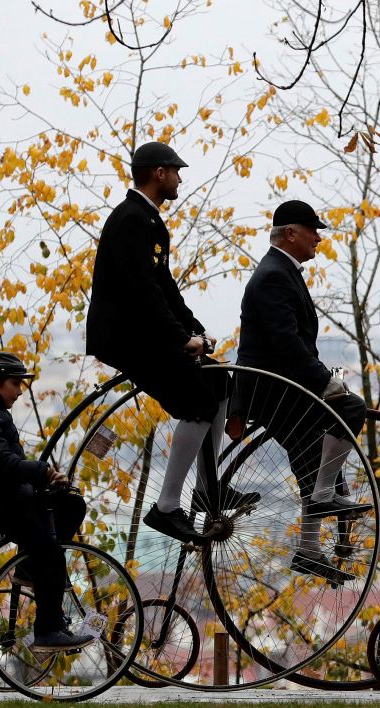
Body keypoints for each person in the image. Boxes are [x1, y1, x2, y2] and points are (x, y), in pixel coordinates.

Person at [86, 141, 253, 544]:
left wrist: (195, 331)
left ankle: (208, 488)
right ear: (158, 173)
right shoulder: (132, 219)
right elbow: (143, 291)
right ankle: (166, 508)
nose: (180, 177)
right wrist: (181, 339)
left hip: (143, 332)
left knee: (218, 383)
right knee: (196, 403)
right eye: (176, 170)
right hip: (128, 337)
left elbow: (165, 287)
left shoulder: (148, 220)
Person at [238, 199, 370, 582]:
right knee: (351, 410)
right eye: (313, 230)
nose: (318, 238)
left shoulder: (282, 271)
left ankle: (310, 549)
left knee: (318, 461)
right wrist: (325, 381)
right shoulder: (275, 275)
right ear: (290, 233)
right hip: (274, 389)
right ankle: (323, 498)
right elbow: (286, 343)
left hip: (283, 386)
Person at [0, 351, 95, 651]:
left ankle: (29, 569)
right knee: (51, 554)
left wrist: (41, 481)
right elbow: (2, 464)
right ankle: (47, 630)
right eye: (15, 383)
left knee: (71, 505)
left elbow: (7, 466)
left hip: (9, 498)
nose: (20, 389)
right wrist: (44, 473)